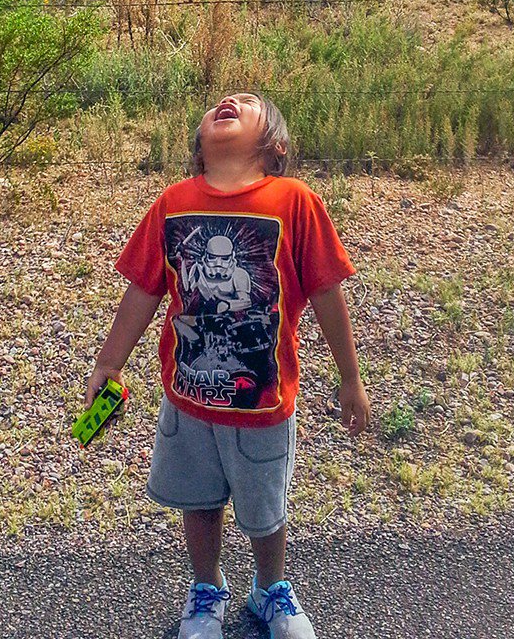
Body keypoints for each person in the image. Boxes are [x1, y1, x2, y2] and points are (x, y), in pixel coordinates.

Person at [85, 91, 371, 638]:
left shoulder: (294, 201)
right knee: (198, 500)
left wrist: (350, 379)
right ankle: (206, 590)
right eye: (220, 101)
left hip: (263, 402)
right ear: (198, 145)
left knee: (266, 509)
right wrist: (109, 362)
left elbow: (328, 292)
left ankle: (271, 590)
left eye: (249, 103)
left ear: (274, 146)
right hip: (187, 400)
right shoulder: (173, 203)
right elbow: (144, 290)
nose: (230, 100)